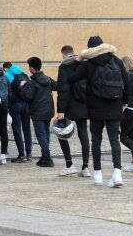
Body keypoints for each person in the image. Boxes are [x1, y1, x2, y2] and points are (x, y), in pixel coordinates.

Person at [68, 36, 129, 187]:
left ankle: (98, 175)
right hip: (114, 104)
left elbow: (70, 78)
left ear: (90, 49)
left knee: (96, 140)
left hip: (95, 106)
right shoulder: (116, 61)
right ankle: (117, 173)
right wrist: (124, 101)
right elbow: (126, 83)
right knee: (114, 139)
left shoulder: (89, 64)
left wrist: (78, 60)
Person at [56, 45, 90, 177]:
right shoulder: (84, 64)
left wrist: (60, 110)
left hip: (69, 105)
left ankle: (69, 164)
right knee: (84, 135)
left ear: (63, 54)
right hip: (83, 104)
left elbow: (63, 89)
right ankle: (85, 167)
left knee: (61, 133)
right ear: (73, 53)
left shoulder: (64, 67)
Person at [18, 57, 58, 167]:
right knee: (45, 134)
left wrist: (21, 87)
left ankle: (48, 158)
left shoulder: (32, 82)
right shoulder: (48, 79)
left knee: (41, 135)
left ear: (31, 68)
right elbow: (57, 86)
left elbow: (27, 97)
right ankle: (44, 157)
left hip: (37, 112)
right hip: (48, 111)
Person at [4, 61, 33, 163]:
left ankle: (21, 155)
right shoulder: (24, 74)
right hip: (26, 104)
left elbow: (7, 92)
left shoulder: (7, 75)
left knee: (17, 130)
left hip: (15, 105)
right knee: (27, 129)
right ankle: (29, 154)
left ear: (6, 68)